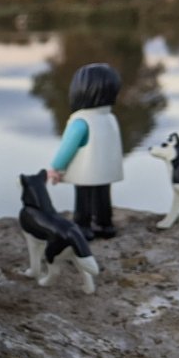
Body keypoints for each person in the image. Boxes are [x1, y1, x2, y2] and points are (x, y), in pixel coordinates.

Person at [46, 63, 124, 240]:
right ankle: (105, 224)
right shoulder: (110, 118)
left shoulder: (81, 121)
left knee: (84, 198)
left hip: (86, 171)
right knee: (103, 196)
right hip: (105, 170)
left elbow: (68, 147)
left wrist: (56, 167)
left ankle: (83, 226)